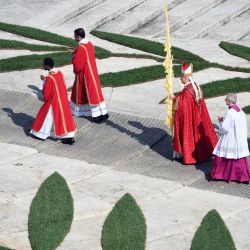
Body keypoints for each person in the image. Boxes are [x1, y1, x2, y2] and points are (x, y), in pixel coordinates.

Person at [170, 63, 218, 164]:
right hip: (198, 117)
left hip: (191, 118)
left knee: (190, 135)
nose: (180, 79)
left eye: (181, 77)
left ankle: (190, 157)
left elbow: (181, 106)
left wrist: (173, 98)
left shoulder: (187, 91)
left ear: (186, 77)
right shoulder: (195, 86)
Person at [31, 58, 76, 144]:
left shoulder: (50, 78)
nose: (42, 66)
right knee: (62, 119)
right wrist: (45, 80)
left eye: (43, 64)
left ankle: (40, 134)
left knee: (46, 117)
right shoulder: (59, 73)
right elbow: (58, 84)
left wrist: (45, 81)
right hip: (62, 100)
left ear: (47, 66)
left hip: (54, 101)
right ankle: (67, 136)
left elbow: (46, 93)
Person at [68, 28, 108, 123]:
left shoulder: (80, 48)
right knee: (96, 93)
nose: (74, 38)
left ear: (78, 37)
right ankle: (104, 113)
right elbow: (85, 56)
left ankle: (96, 116)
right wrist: (75, 52)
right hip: (93, 72)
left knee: (89, 94)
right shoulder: (89, 44)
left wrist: (73, 57)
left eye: (75, 36)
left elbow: (78, 65)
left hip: (85, 74)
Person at [210, 93, 250, 183]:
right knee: (238, 157)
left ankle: (220, 174)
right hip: (238, 138)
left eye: (226, 100)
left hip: (230, 138)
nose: (225, 101)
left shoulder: (230, 113)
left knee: (225, 155)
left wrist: (220, 125)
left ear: (229, 101)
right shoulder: (240, 110)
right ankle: (242, 176)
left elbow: (225, 128)